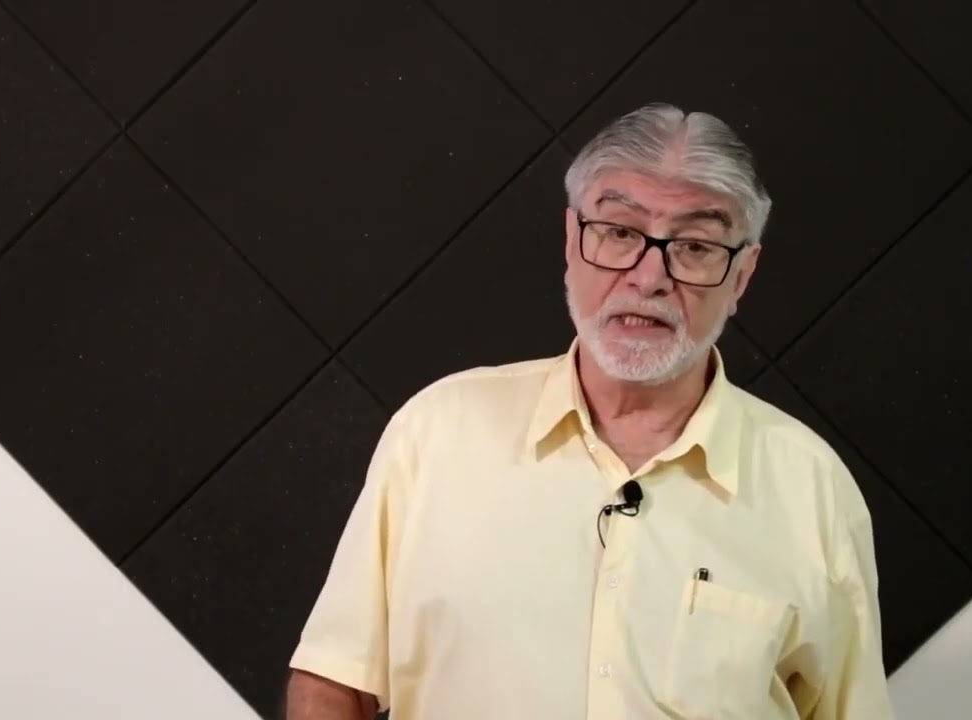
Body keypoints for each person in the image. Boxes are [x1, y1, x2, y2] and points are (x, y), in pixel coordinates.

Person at [284, 102, 895, 719]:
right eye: (620, 233)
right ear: (572, 241)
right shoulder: (440, 430)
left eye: (695, 246)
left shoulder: (810, 486)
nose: (649, 278)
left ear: (742, 275)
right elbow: (336, 681)